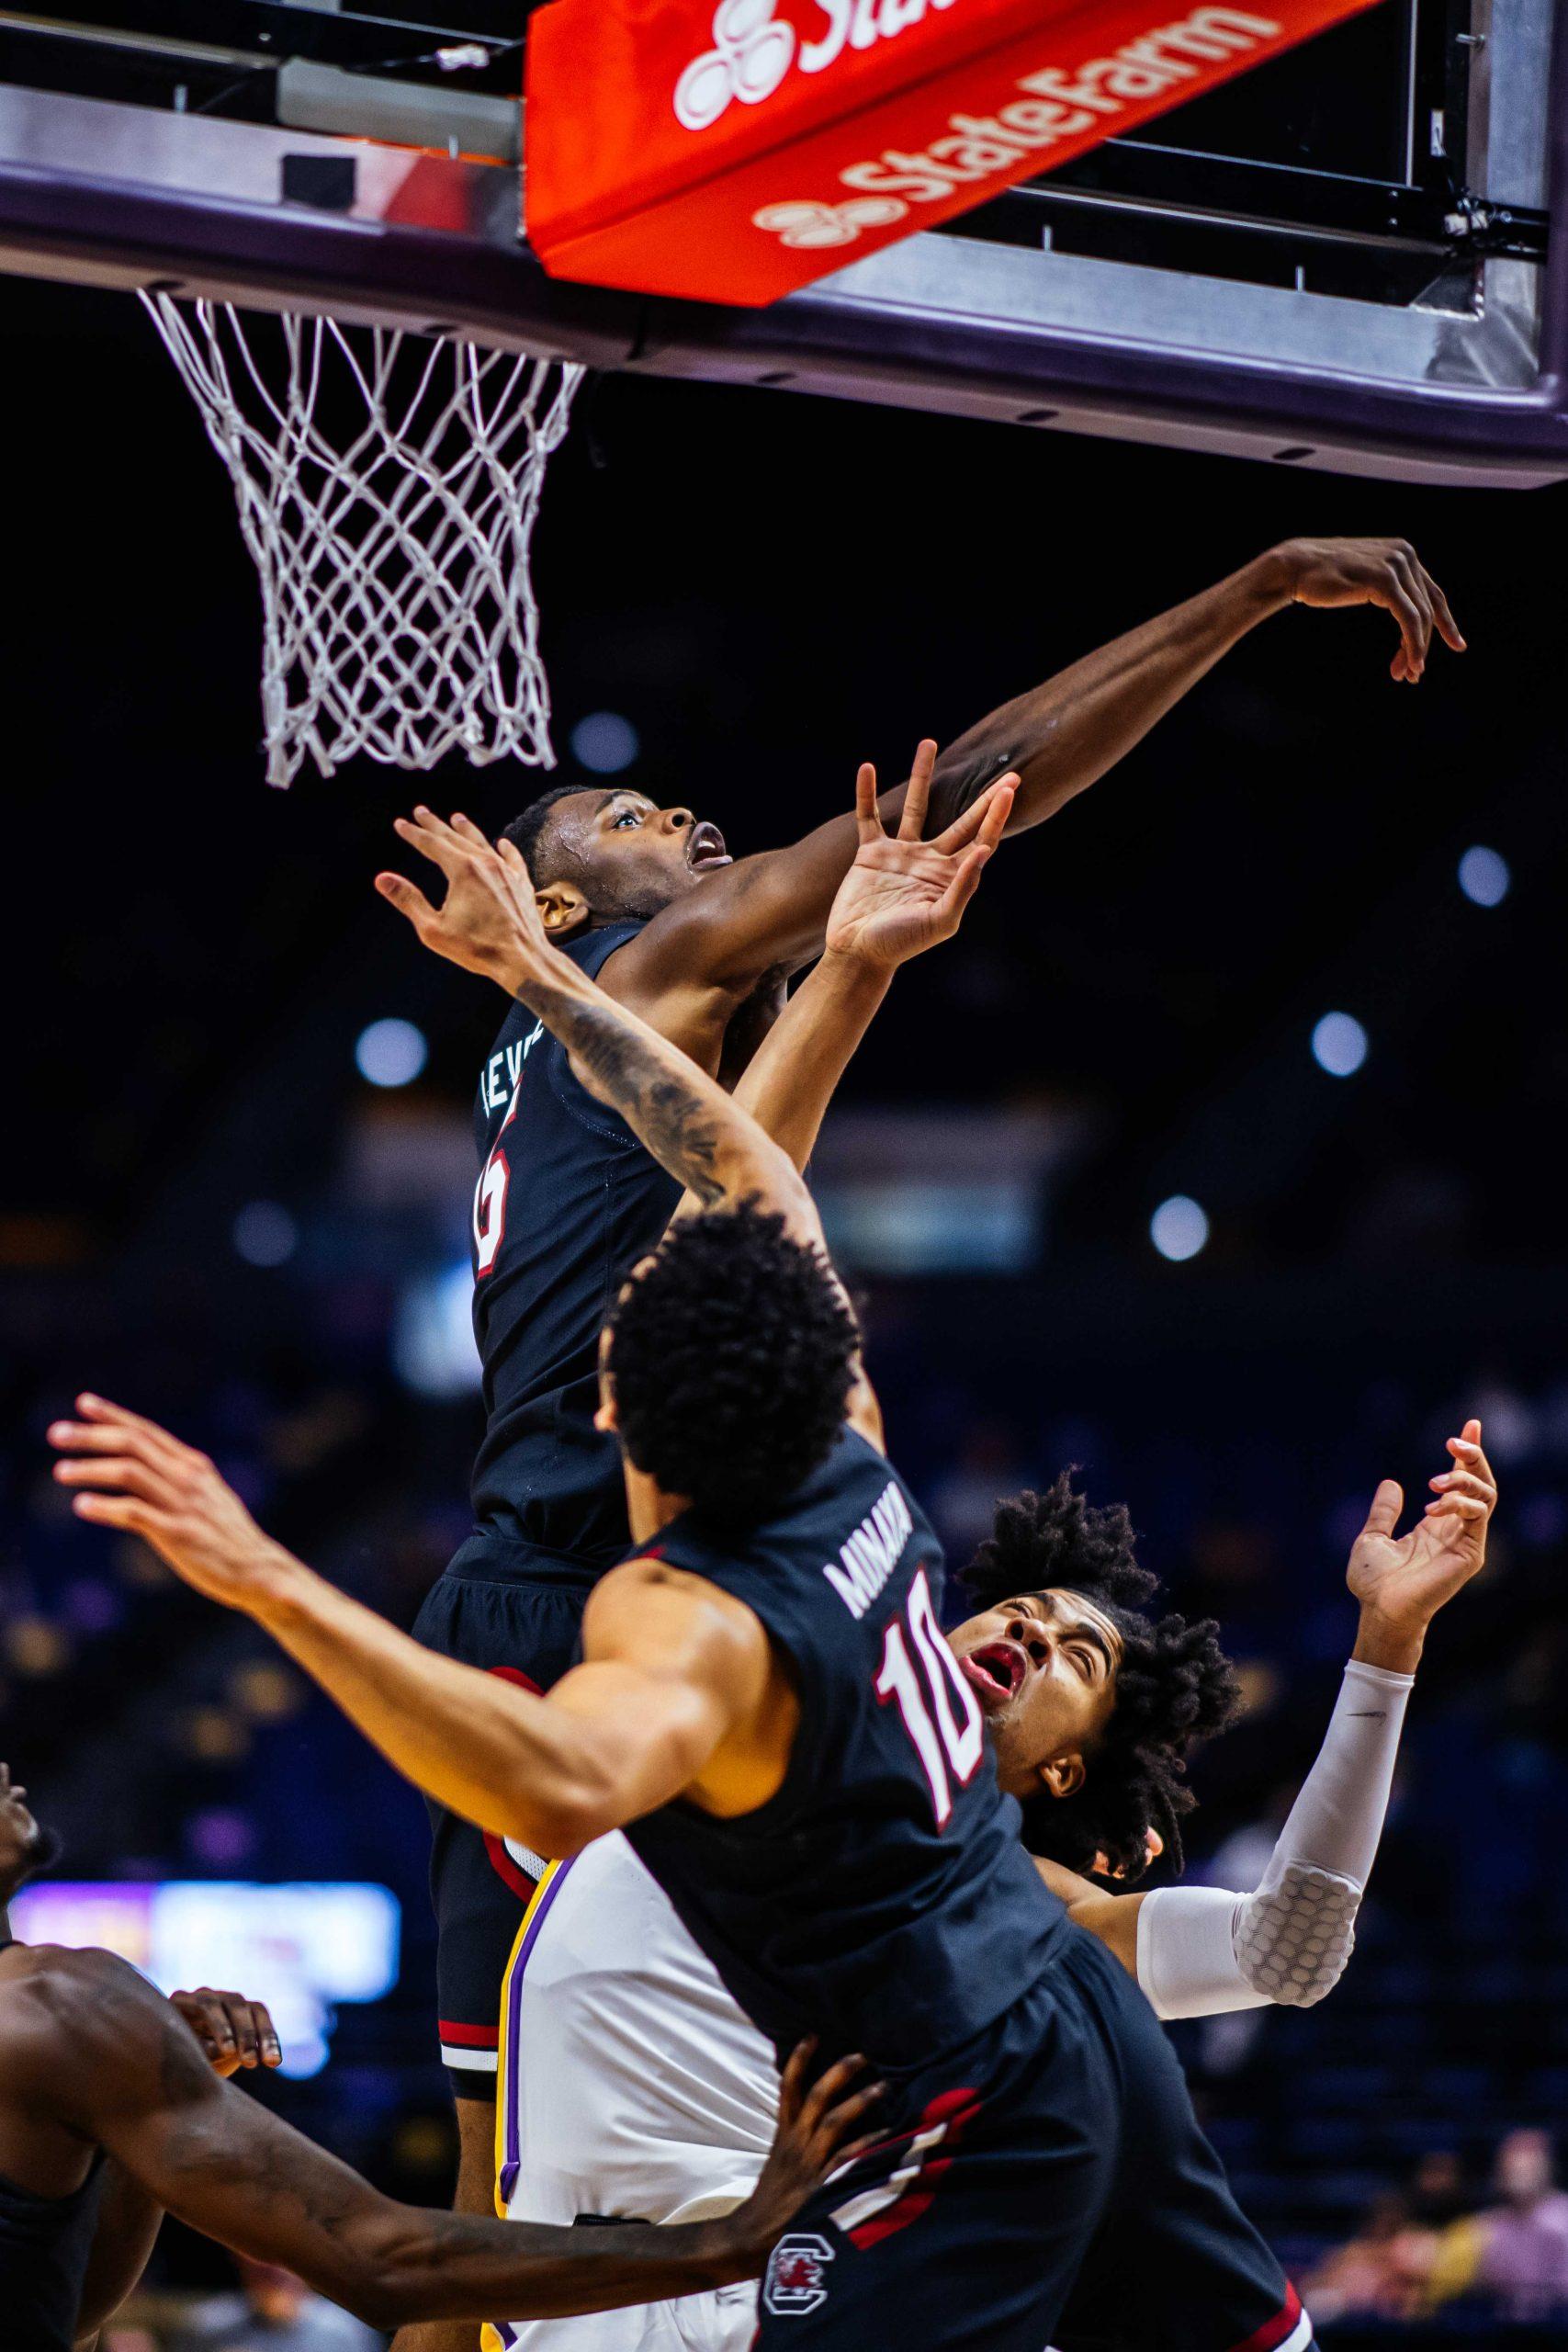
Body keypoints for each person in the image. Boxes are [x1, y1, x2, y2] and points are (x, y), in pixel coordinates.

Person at [52, 813, 1484, 2352]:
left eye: (1071, 1652)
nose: (1020, 1631)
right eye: (1029, 1616)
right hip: (930, 2117)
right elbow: (744, 1169)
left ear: (613, 1418)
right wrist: (806, 971)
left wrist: (263, 1572)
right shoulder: (858, 1491)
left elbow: (548, 1777)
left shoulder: (700, 1646)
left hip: (884, 2168)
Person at [379, 537, 1461, 2241]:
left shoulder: (581, 1052)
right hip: (602, 1588)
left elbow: (750, 1185)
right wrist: (1243, 595)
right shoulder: (636, 975)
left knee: (515, 2144)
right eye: (631, 817)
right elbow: (976, 781)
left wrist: (856, 973)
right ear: (560, 904)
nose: (691, 828)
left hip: (566, 1578)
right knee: (561, 2135)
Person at [0, 1759, 882, 2352]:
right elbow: (376, 2260)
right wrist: (734, 2239)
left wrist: (129, 2118)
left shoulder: (61, 2027)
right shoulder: (60, 2004)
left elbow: (62, 2312)